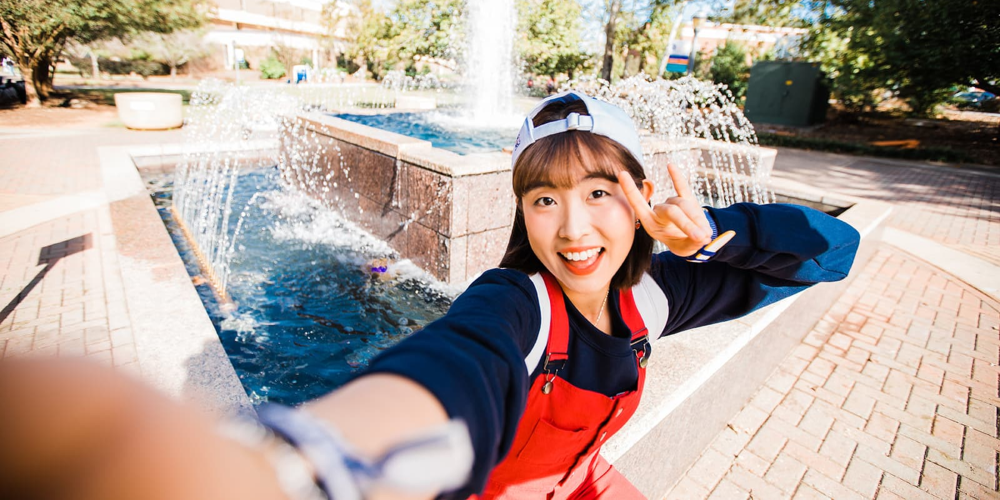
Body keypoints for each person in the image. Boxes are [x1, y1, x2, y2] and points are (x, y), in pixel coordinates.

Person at [0, 91, 860, 500]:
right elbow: (457, 366)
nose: (573, 230)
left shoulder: (657, 295)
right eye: (544, 198)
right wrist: (306, 466)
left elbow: (834, 251)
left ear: (642, 197)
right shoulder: (518, 302)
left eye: (601, 191)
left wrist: (718, 232)